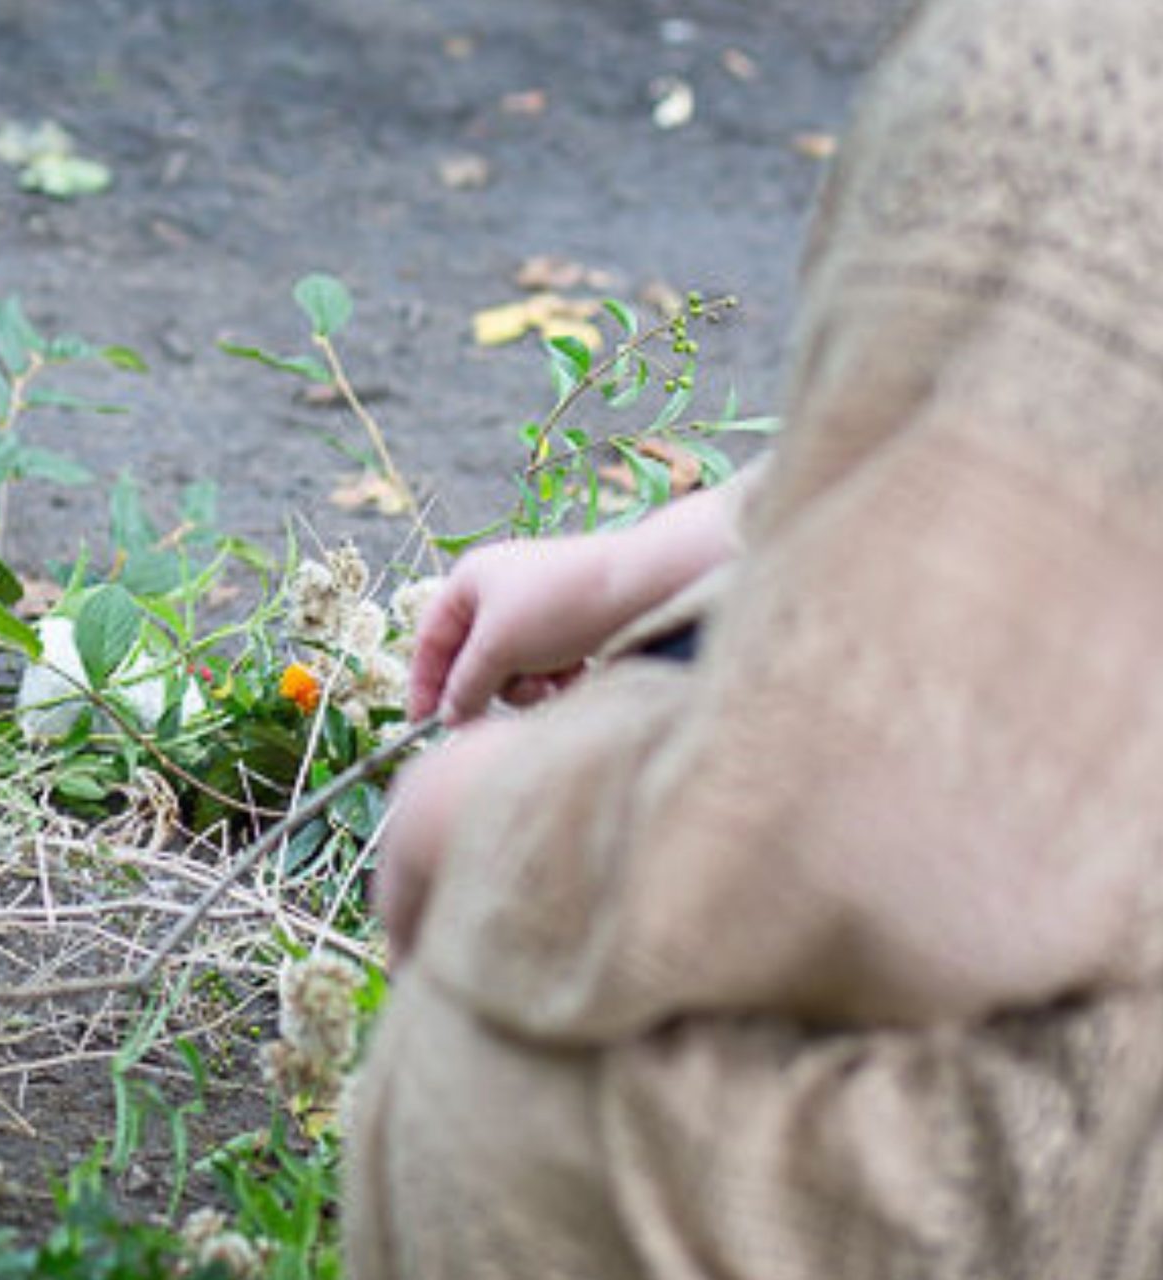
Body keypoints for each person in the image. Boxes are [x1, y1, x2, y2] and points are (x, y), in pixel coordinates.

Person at [346, 0, 1163, 1276]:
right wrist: (626, 568)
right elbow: (1049, 442)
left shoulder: (1075, 79)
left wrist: (491, 814)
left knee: (579, 1080)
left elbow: (919, 804)